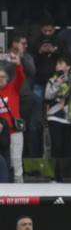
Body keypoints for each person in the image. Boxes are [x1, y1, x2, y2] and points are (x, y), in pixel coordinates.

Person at [0, 52, 24, 183]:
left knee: (16, 163)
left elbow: (20, 77)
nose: (1, 79)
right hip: (0, 133)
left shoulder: (13, 88)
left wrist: (18, 64)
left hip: (14, 131)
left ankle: (20, 193)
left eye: (3, 77)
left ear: (8, 79)